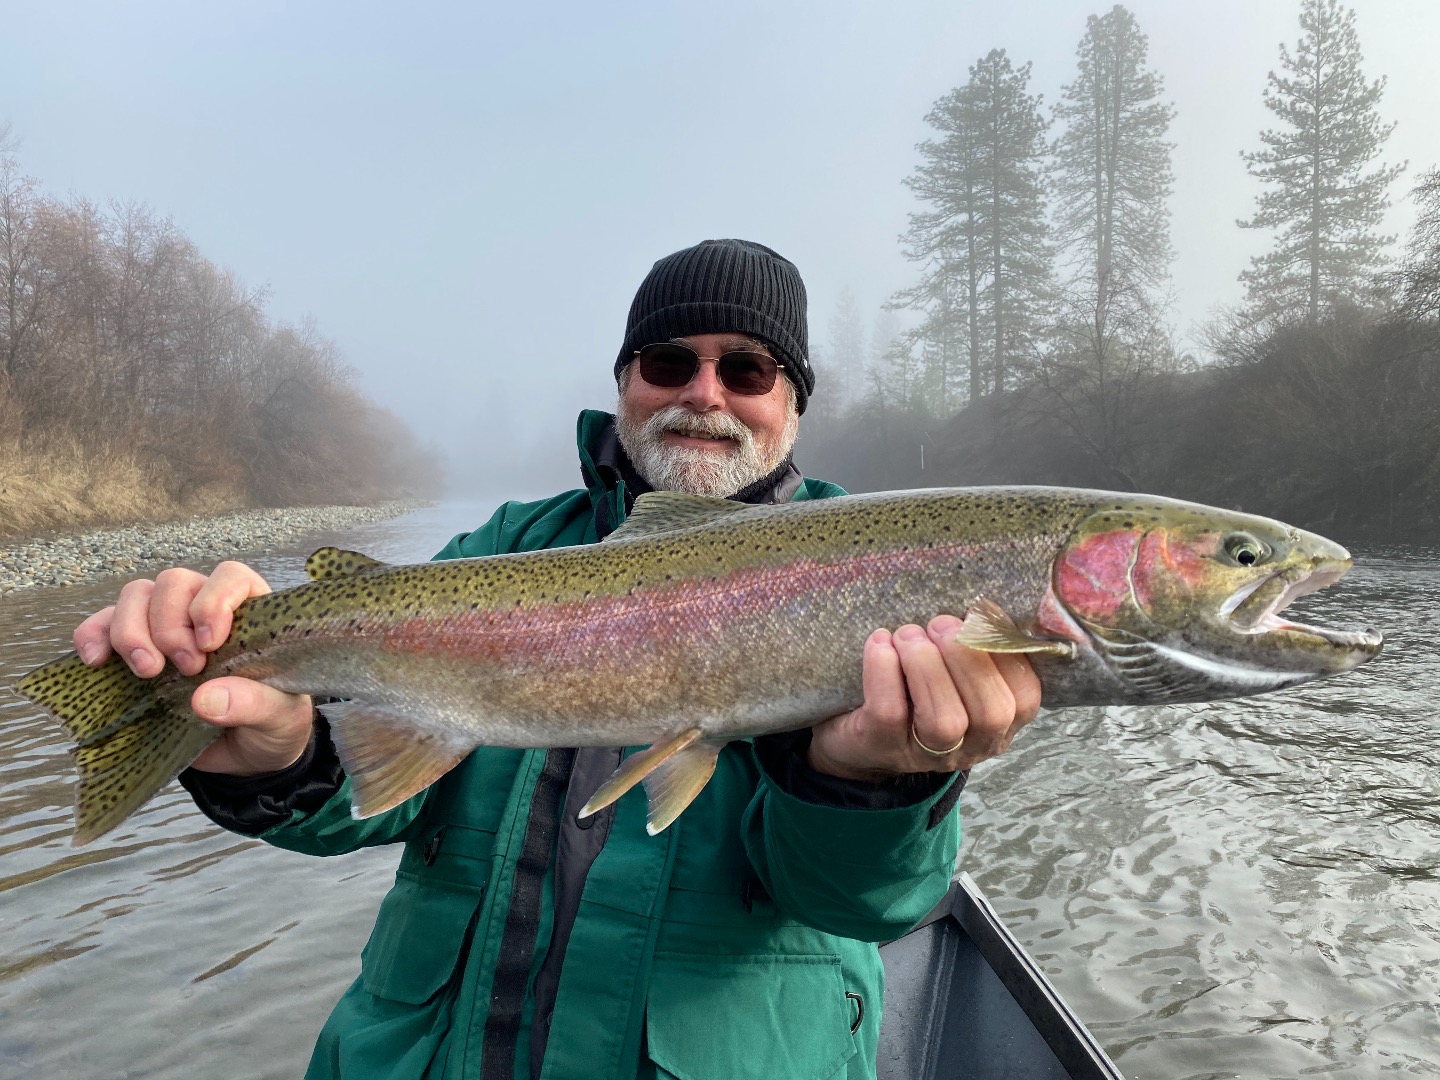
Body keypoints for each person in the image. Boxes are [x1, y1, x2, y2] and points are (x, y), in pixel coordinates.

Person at [73, 239, 1041, 1080]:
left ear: (792, 405)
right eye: (668, 360)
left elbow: (863, 906)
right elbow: (377, 800)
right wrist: (282, 761)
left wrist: (870, 787)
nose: (704, 393)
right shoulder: (504, 548)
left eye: (747, 370)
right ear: (623, 383)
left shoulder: (887, 573)